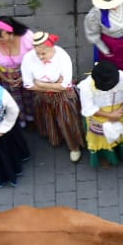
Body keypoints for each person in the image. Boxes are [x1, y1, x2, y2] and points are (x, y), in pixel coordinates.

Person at [19, 32, 81, 164]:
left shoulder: (62, 56)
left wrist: (40, 84)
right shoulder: (28, 58)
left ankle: (74, 147)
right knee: (49, 119)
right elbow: (28, 85)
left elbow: (66, 85)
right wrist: (54, 85)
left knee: (67, 121)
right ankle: (56, 138)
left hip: (63, 98)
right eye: (38, 53)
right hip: (43, 98)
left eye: (43, 53)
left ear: (52, 47)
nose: (40, 57)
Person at [77, 61, 123, 167]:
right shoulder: (86, 87)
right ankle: (105, 155)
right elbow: (89, 108)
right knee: (100, 136)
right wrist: (110, 116)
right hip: (99, 113)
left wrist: (119, 111)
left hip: (122, 110)